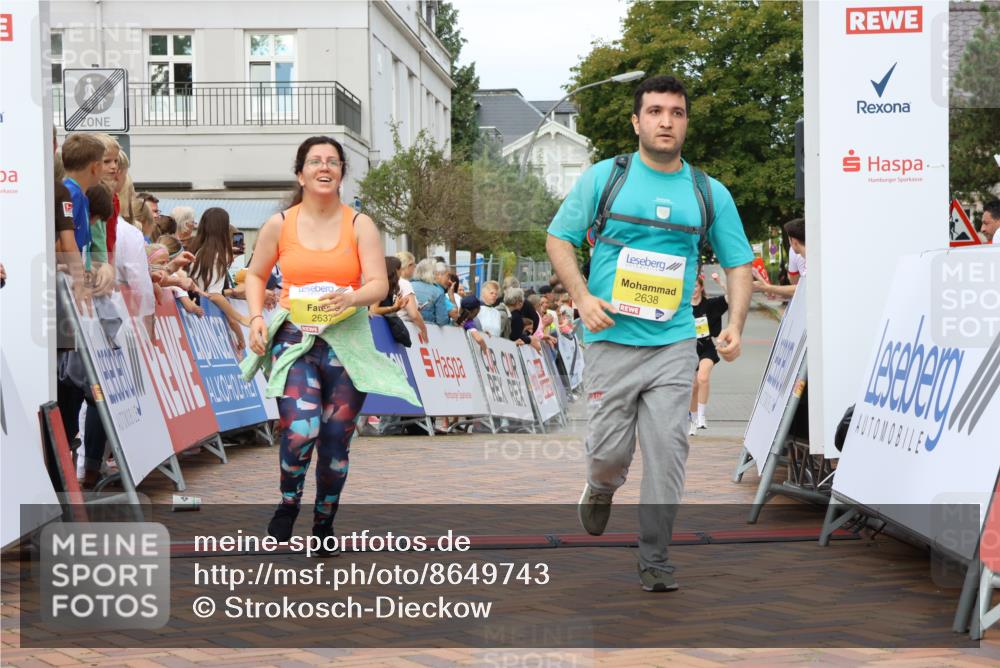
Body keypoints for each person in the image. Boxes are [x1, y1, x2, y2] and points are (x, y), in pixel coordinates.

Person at [546, 74, 753, 592]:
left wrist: (736, 324)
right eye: (656, 111)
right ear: (636, 121)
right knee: (609, 452)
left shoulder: (708, 192)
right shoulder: (605, 178)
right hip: (611, 340)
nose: (666, 121)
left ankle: (655, 557)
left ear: (686, 123)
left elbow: (738, 263)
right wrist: (583, 297)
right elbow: (558, 239)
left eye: (676, 113)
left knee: (668, 450)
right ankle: (601, 486)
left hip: (674, 343)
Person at [243, 136, 417, 549]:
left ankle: (324, 521)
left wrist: (350, 298)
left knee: (336, 438)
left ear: (341, 174)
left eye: (333, 162)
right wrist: (255, 318)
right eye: (315, 161)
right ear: (300, 174)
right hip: (295, 339)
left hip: (346, 342)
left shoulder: (360, 225)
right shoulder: (279, 224)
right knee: (301, 429)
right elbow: (255, 274)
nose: (324, 167)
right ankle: (288, 503)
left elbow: (378, 283)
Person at [688, 274, 728, 435]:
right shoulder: (683, 308)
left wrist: (720, 282)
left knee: (703, 377)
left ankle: (701, 416)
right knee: (693, 387)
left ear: (701, 287)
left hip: (706, 348)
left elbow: (731, 297)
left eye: (696, 286)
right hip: (689, 349)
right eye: (690, 286)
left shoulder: (709, 305)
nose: (693, 290)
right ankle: (693, 420)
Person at [753, 218, 804, 299]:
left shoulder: (794, 253)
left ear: (794, 241)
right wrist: (778, 292)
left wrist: (766, 287)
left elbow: (799, 286)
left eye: (789, 239)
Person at [411, 258, 453, 326]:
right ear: (431, 273)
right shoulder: (438, 292)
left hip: (406, 327)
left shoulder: (407, 286)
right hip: (429, 329)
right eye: (435, 273)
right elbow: (442, 321)